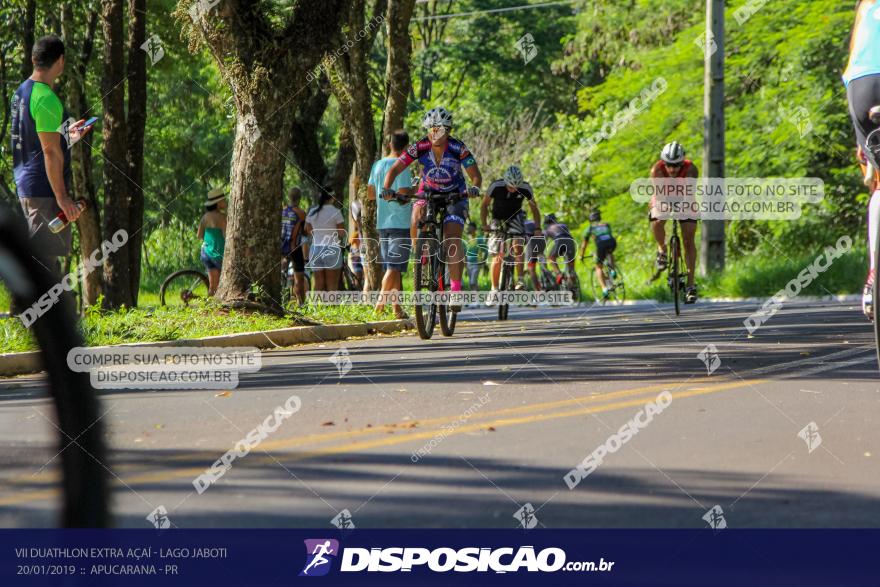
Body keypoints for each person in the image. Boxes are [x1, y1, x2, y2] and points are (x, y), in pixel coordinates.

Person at [382, 106, 482, 312]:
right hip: (428, 191)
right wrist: (386, 189)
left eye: (441, 129)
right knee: (416, 213)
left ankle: (455, 290)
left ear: (448, 130)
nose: (436, 133)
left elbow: (475, 175)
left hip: (456, 194)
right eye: (432, 129)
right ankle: (422, 255)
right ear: (427, 130)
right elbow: (394, 169)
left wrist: (474, 188)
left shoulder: (458, 147)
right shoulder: (420, 146)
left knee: (452, 238)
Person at [11, 35, 92, 275]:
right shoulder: (46, 98)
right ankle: (37, 312)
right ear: (60, 61)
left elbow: (33, 141)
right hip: (44, 190)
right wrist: (63, 198)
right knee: (43, 264)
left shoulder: (22, 92)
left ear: (34, 58)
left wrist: (68, 136)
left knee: (45, 261)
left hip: (28, 185)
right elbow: (49, 151)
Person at [844, 0, 880, 318]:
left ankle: (873, 278)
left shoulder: (865, 4)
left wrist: (860, 140)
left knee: (875, 177)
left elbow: (855, 53)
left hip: (860, 82)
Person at [368, 129, 414, 319]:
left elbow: (371, 194)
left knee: (393, 266)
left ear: (390, 144)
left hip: (383, 222)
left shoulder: (377, 165)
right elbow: (403, 195)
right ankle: (379, 306)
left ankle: (396, 308)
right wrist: (414, 191)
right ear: (406, 148)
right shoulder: (401, 166)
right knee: (394, 267)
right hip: (400, 222)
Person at [649, 141, 699, 304]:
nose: (672, 169)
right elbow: (659, 195)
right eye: (669, 165)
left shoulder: (691, 169)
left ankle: (691, 286)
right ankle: (662, 249)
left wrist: (683, 208)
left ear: (682, 162)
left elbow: (689, 194)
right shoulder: (657, 170)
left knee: (688, 240)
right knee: (657, 217)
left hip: (685, 198)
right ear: (664, 162)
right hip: (663, 197)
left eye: (676, 165)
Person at [481, 165, 541, 295]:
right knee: (498, 254)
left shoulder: (526, 188)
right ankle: (494, 289)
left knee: (518, 246)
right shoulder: (496, 186)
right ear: (505, 182)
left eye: (516, 187)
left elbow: (534, 209)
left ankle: (520, 280)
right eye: (510, 187)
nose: (513, 190)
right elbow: (484, 205)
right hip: (498, 218)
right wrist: (484, 224)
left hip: (516, 217)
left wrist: (537, 227)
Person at [305, 187, 345, 299]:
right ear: (332, 197)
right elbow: (342, 233)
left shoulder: (313, 211)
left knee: (318, 283)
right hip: (332, 248)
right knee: (332, 285)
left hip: (316, 249)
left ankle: (317, 309)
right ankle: (331, 310)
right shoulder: (336, 212)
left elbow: (308, 230)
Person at [580, 210, 618, 298]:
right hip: (612, 242)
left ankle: (604, 289)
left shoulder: (590, 228)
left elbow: (584, 245)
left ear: (590, 220)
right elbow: (607, 235)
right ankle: (612, 270)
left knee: (598, 267)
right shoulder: (606, 224)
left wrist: (581, 255)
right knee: (609, 252)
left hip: (601, 245)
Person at [281, 187, 308, 305]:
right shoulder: (301, 213)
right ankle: (301, 303)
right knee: (299, 278)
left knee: (282, 275)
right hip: (295, 248)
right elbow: (305, 232)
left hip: (282, 247)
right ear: (300, 198)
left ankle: (282, 301)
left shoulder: (283, 211)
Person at [197, 188, 227, 296]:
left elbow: (199, 235)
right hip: (219, 255)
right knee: (218, 283)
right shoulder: (223, 217)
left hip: (206, 252)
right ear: (218, 203)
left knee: (212, 285)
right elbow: (226, 236)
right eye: (224, 200)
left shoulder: (205, 217)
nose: (226, 201)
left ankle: (210, 305)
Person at [543, 213, 577, 284]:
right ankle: (572, 282)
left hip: (559, 241)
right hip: (571, 242)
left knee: (551, 257)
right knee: (571, 263)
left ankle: (559, 274)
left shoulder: (547, 229)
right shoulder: (563, 225)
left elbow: (544, 242)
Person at [464, 222, 487, 294]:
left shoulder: (479, 238)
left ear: (474, 229)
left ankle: (475, 302)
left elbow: (485, 251)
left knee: (473, 282)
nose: (468, 229)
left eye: (469, 227)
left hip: (476, 264)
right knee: (472, 283)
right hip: (468, 264)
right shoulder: (467, 240)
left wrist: (483, 261)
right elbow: (465, 253)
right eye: (467, 227)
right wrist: (465, 266)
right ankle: (476, 301)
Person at [348, 198, 365, 290]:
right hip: (356, 255)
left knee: (362, 276)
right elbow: (351, 244)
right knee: (358, 276)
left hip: (359, 253)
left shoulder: (357, 234)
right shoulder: (354, 235)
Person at [524, 218, 545, 290]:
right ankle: (546, 273)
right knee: (541, 255)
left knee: (531, 268)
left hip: (532, 243)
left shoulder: (520, 224)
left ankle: (538, 291)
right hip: (542, 241)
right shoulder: (534, 221)